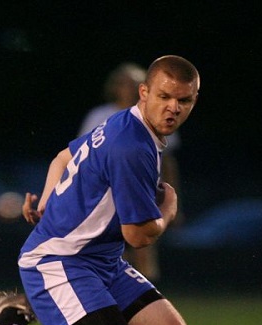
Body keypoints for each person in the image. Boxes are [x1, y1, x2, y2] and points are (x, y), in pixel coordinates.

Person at [16, 55, 199, 325]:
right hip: (59, 262)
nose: (173, 108)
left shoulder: (127, 125)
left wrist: (44, 200)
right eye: (164, 97)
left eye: (184, 100)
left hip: (99, 260)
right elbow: (139, 235)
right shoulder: (131, 145)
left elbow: (64, 155)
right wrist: (169, 211)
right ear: (144, 93)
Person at [77, 62, 185, 282]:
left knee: (144, 250)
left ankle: (145, 301)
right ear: (114, 87)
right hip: (105, 196)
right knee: (105, 250)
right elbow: (80, 158)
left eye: (135, 83)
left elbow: (168, 162)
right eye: (124, 83)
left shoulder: (156, 115)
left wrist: (174, 201)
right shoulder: (100, 116)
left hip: (142, 193)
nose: (129, 88)